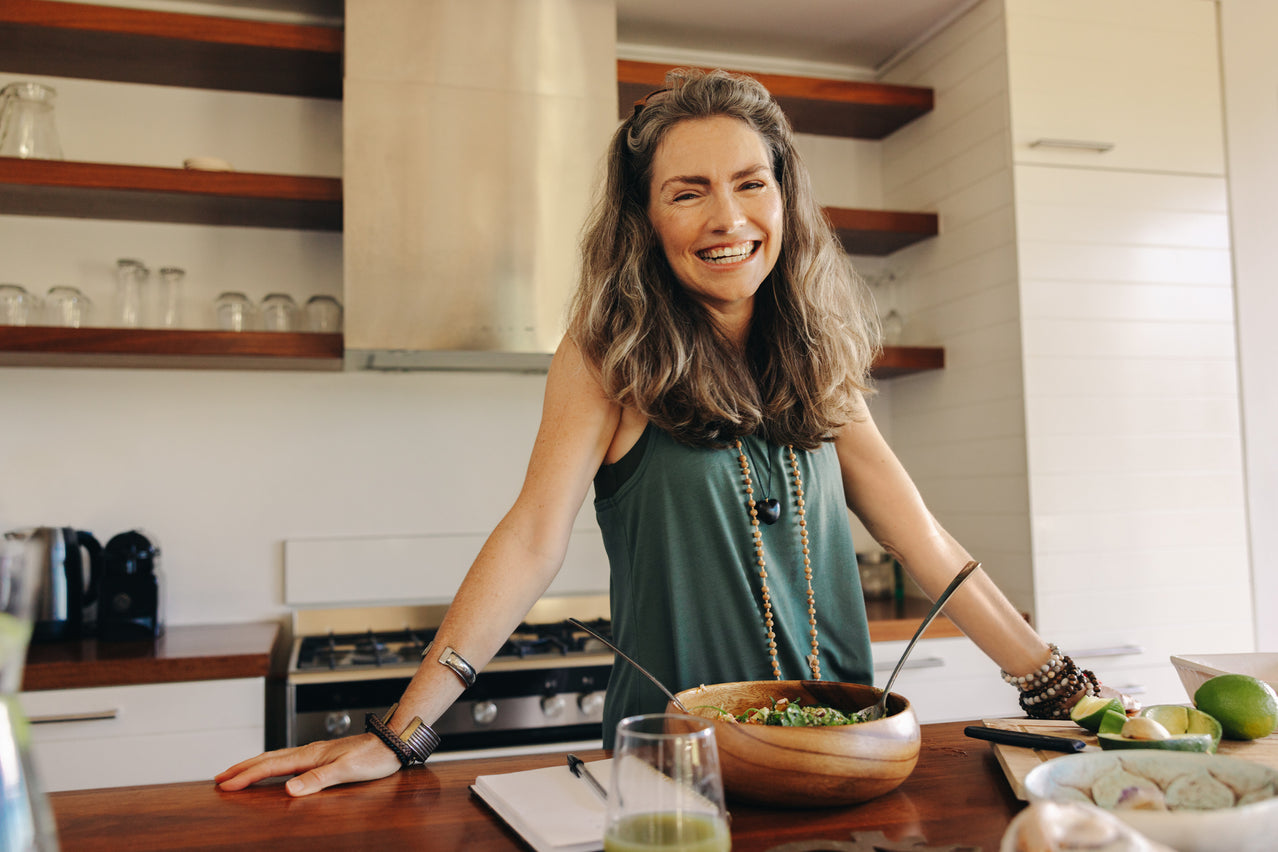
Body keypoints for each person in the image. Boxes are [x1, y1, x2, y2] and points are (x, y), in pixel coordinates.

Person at [217, 68, 1128, 797]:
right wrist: (399, 733)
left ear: (784, 200)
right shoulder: (608, 355)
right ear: (648, 221)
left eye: (750, 184)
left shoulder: (816, 355)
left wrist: (1064, 691)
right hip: (678, 768)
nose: (727, 219)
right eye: (688, 193)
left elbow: (922, 538)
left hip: (838, 756)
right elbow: (533, 539)